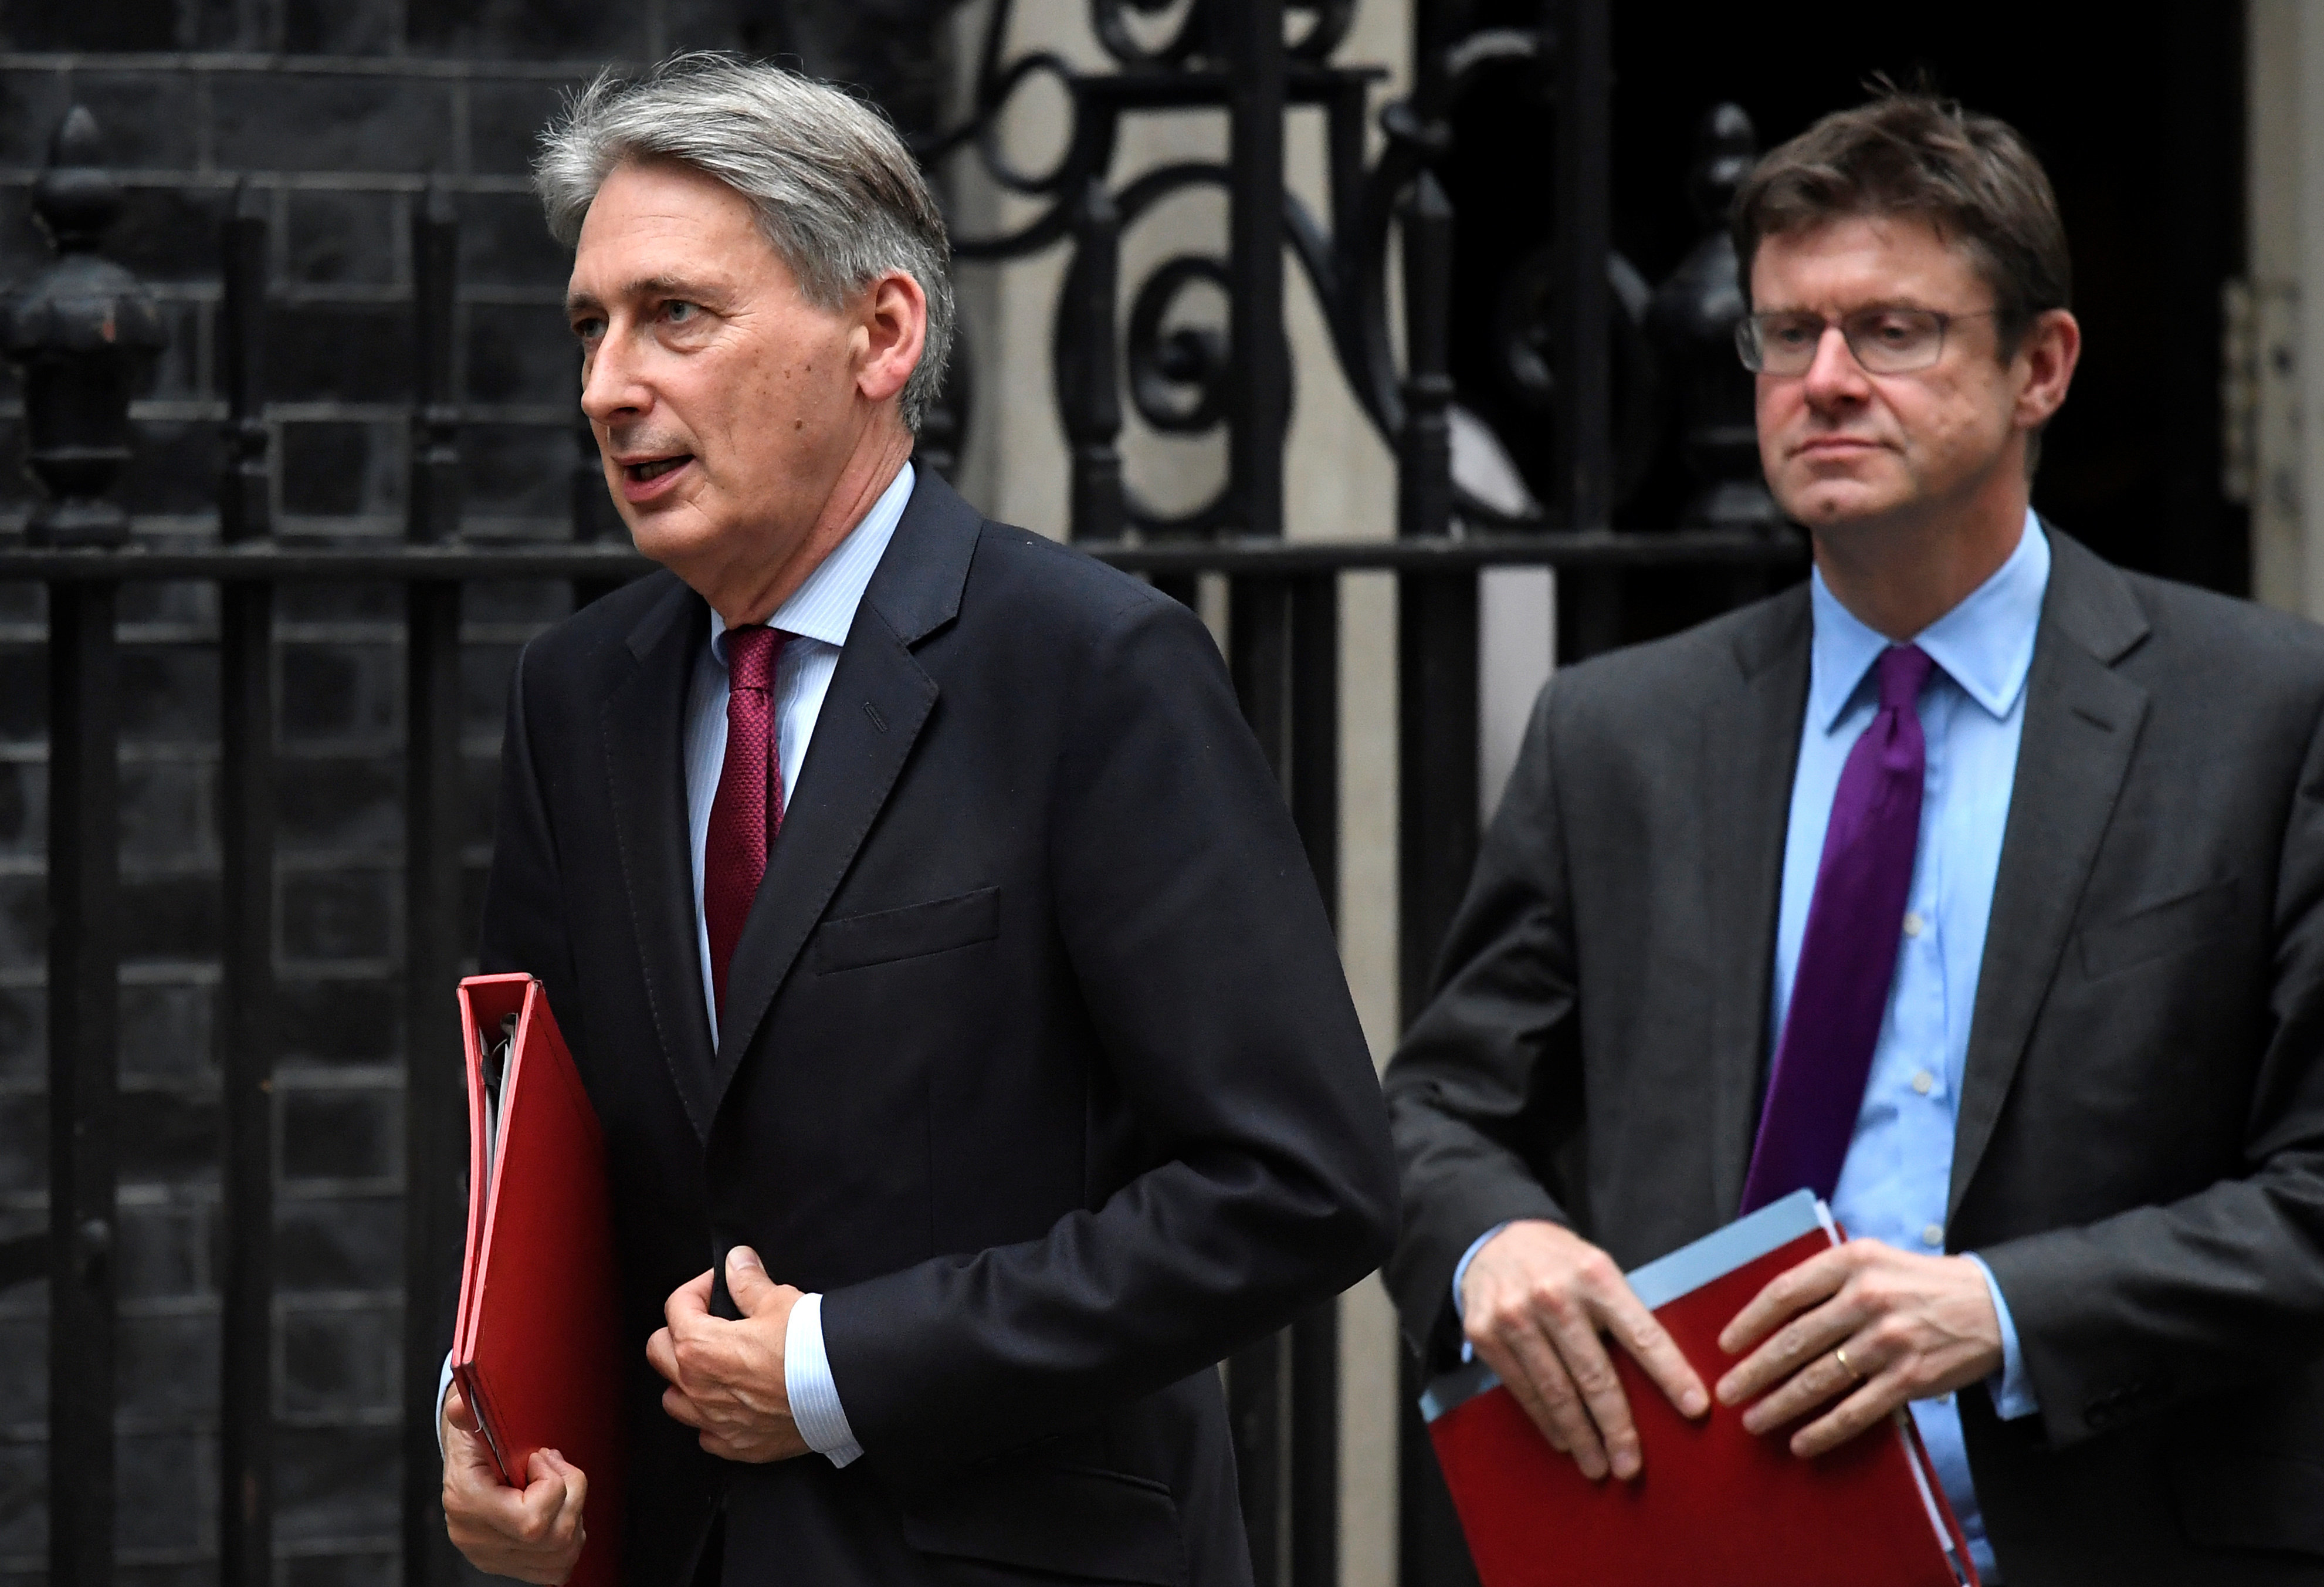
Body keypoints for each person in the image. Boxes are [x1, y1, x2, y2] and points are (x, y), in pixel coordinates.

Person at [435, 53, 1398, 1587]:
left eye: (675, 314)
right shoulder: (580, 695)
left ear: (881, 332)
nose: (609, 383)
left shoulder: (1089, 667)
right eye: (591, 327)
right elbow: (533, 1159)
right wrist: (493, 1421)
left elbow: (1299, 1185)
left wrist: (840, 1368)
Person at [1384, 88, 2324, 1586]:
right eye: (1783, 333)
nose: (1822, 380)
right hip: (1698, 1545)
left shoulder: (2264, 714)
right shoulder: (1616, 733)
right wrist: (1496, 1247)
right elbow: (1433, 1111)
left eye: (1894, 332)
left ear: (2042, 367)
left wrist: (2005, 1313)